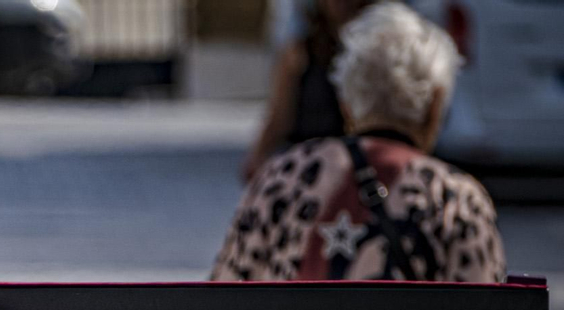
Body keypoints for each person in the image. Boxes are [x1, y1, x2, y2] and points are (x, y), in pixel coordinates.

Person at [211, 3, 505, 283]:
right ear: (435, 106)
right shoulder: (456, 200)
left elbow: (224, 291)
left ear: (347, 106)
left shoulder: (279, 181)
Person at [239, 0, 377, 184]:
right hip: (308, 169)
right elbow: (279, 119)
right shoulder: (299, 53)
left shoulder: (378, 52)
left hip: (360, 168)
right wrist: (257, 157)